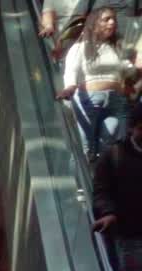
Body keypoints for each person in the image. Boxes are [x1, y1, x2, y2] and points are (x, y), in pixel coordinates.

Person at [59, 7, 135, 159]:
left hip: (116, 102)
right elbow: (72, 70)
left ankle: (99, 176)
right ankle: (83, 178)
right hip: (90, 100)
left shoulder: (116, 48)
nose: (112, 22)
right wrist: (69, 88)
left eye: (114, 19)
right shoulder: (81, 47)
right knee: (86, 145)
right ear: (94, 24)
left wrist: (131, 73)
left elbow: (127, 71)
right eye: (106, 19)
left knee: (110, 138)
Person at [94, 103, 142, 271]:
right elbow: (101, 191)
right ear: (133, 128)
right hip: (129, 233)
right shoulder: (113, 155)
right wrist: (108, 212)